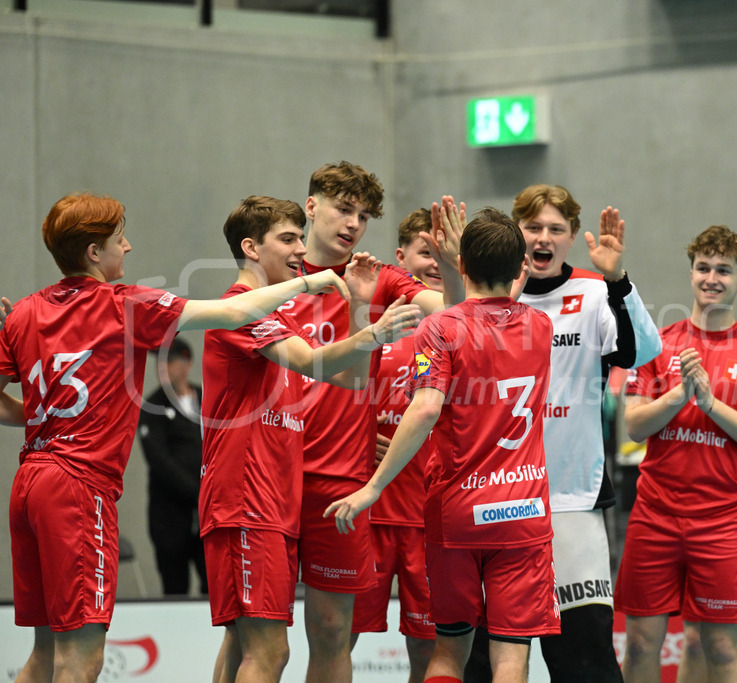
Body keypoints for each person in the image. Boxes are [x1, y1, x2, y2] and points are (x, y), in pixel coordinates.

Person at [0, 192, 351, 683]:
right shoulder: (124, 303)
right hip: (79, 485)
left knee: (42, 655)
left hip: (29, 482)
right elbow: (233, 312)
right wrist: (310, 280)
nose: (128, 246)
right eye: (119, 238)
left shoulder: (21, 312)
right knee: (81, 660)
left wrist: (42, 414)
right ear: (93, 253)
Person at [327, 207, 559, 683]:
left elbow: (425, 408)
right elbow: (503, 305)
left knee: (449, 652)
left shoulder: (439, 327)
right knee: (511, 657)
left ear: (461, 265)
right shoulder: (540, 325)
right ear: (520, 268)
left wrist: (373, 486)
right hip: (522, 511)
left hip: (457, 513)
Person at [200, 195, 421, 683]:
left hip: (275, 495)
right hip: (246, 496)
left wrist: (361, 311)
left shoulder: (276, 316)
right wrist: (375, 330)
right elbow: (309, 362)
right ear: (251, 248)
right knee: (264, 649)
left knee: (271, 646)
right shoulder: (241, 308)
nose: (300, 249)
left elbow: (348, 379)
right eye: (288, 239)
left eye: (300, 238)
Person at [464, 184, 661, 683]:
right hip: (498, 499)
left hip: (572, 498)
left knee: (584, 657)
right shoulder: (487, 298)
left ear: (572, 236)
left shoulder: (594, 293)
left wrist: (617, 279)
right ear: (516, 234)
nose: (543, 238)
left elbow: (642, 353)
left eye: (556, 229)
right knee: (488, 657)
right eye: (533, 227)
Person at [286, 162, 463, 683]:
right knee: (255, 637)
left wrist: (452, 265)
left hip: (340, 479)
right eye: (344, 209)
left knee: (331, 631)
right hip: (272, 471)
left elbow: (453, 309)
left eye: (363, 216)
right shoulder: (277, 272)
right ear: (311, 206)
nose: (353, 224)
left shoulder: (379, 277)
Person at [616, 225, 737, 683]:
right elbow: (633, 425)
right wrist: (679, 396)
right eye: (703, 268)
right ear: (691, 272)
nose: (712, 278)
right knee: (640, 645)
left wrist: (711, 404)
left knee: (722, 649)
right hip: (655, 516)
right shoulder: (656, 344)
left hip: (722, 522)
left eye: (723, 270)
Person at [350, 208, 441, 683]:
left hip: (431, 516)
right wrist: (360, 439)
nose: (435, 263)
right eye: (426, 252)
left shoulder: (457, 328)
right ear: (401, 258)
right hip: (366, 511)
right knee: (338, 635)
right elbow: (329, 391)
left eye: (444, 253)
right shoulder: (371, 321)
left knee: (428, 649)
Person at [138, 336, 207, 596]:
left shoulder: (208, 399)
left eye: (169, 361)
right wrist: (200, 493)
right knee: (175, 588)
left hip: (209, 516)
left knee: (214, 587)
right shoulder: (152, 408)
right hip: (170, 517)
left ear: (187, 363)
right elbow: (161, 463)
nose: (162, 368)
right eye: (159, 362)